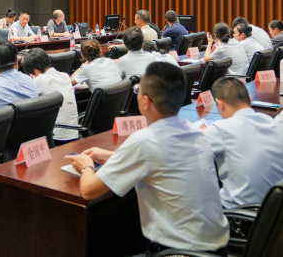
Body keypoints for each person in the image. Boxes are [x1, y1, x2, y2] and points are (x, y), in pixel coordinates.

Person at [69, 61, 229, 253]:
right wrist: (113, 156)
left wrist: (86, 165)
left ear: (146, 101)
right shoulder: (195, 131)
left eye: (138, 91)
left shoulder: (144, 141)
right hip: (216, 246)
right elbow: (163, 158)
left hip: (178, 252)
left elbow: (89, 190)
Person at [203, 77, 283, 208]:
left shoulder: (221, 129)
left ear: (219, 104)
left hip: (241, 213)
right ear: (250, 99)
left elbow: (187, 151)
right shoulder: (273, 122)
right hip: (279, 208)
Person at [20, 48, 78, 142]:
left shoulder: (39, 80)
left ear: (36, 71)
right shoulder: (65, 76)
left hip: (56, 136)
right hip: (74, 131)